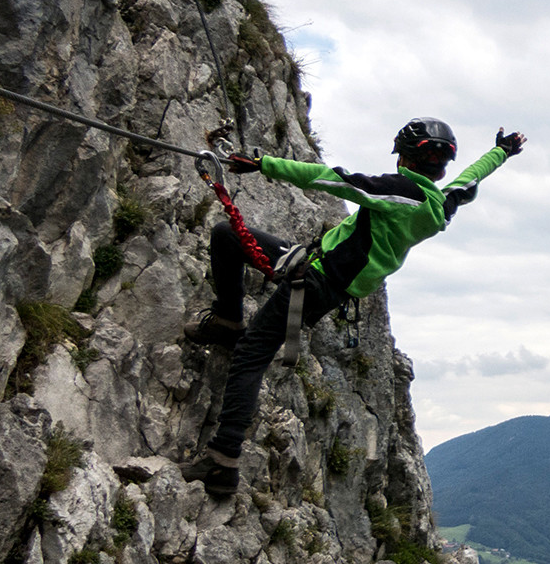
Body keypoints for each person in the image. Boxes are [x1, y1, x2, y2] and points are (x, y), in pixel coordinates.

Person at [179, 117, 525, 496]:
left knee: (250, 355)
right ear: (441, 167)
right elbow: (469, 180)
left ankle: (223, 461)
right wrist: (501, 151)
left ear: (404, 159)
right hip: (321, 277)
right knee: (227, 235)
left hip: (313, 282)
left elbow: (335, 179)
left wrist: (263, 164)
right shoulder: (440, 206)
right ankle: (228, 319)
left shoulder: (400, 191)